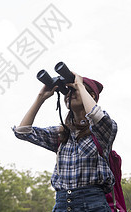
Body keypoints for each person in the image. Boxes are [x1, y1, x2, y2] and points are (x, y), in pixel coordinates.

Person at [13, 72, 117, 212]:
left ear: (92, 96)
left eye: (75, 90)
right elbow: (22, 132)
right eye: (67, 91)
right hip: (62, 204)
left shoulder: (102, 131)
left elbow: (97, 116)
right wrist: (40, 98)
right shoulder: (62, 133)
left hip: (94, 205)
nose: (70, 93)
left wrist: (79, 84)